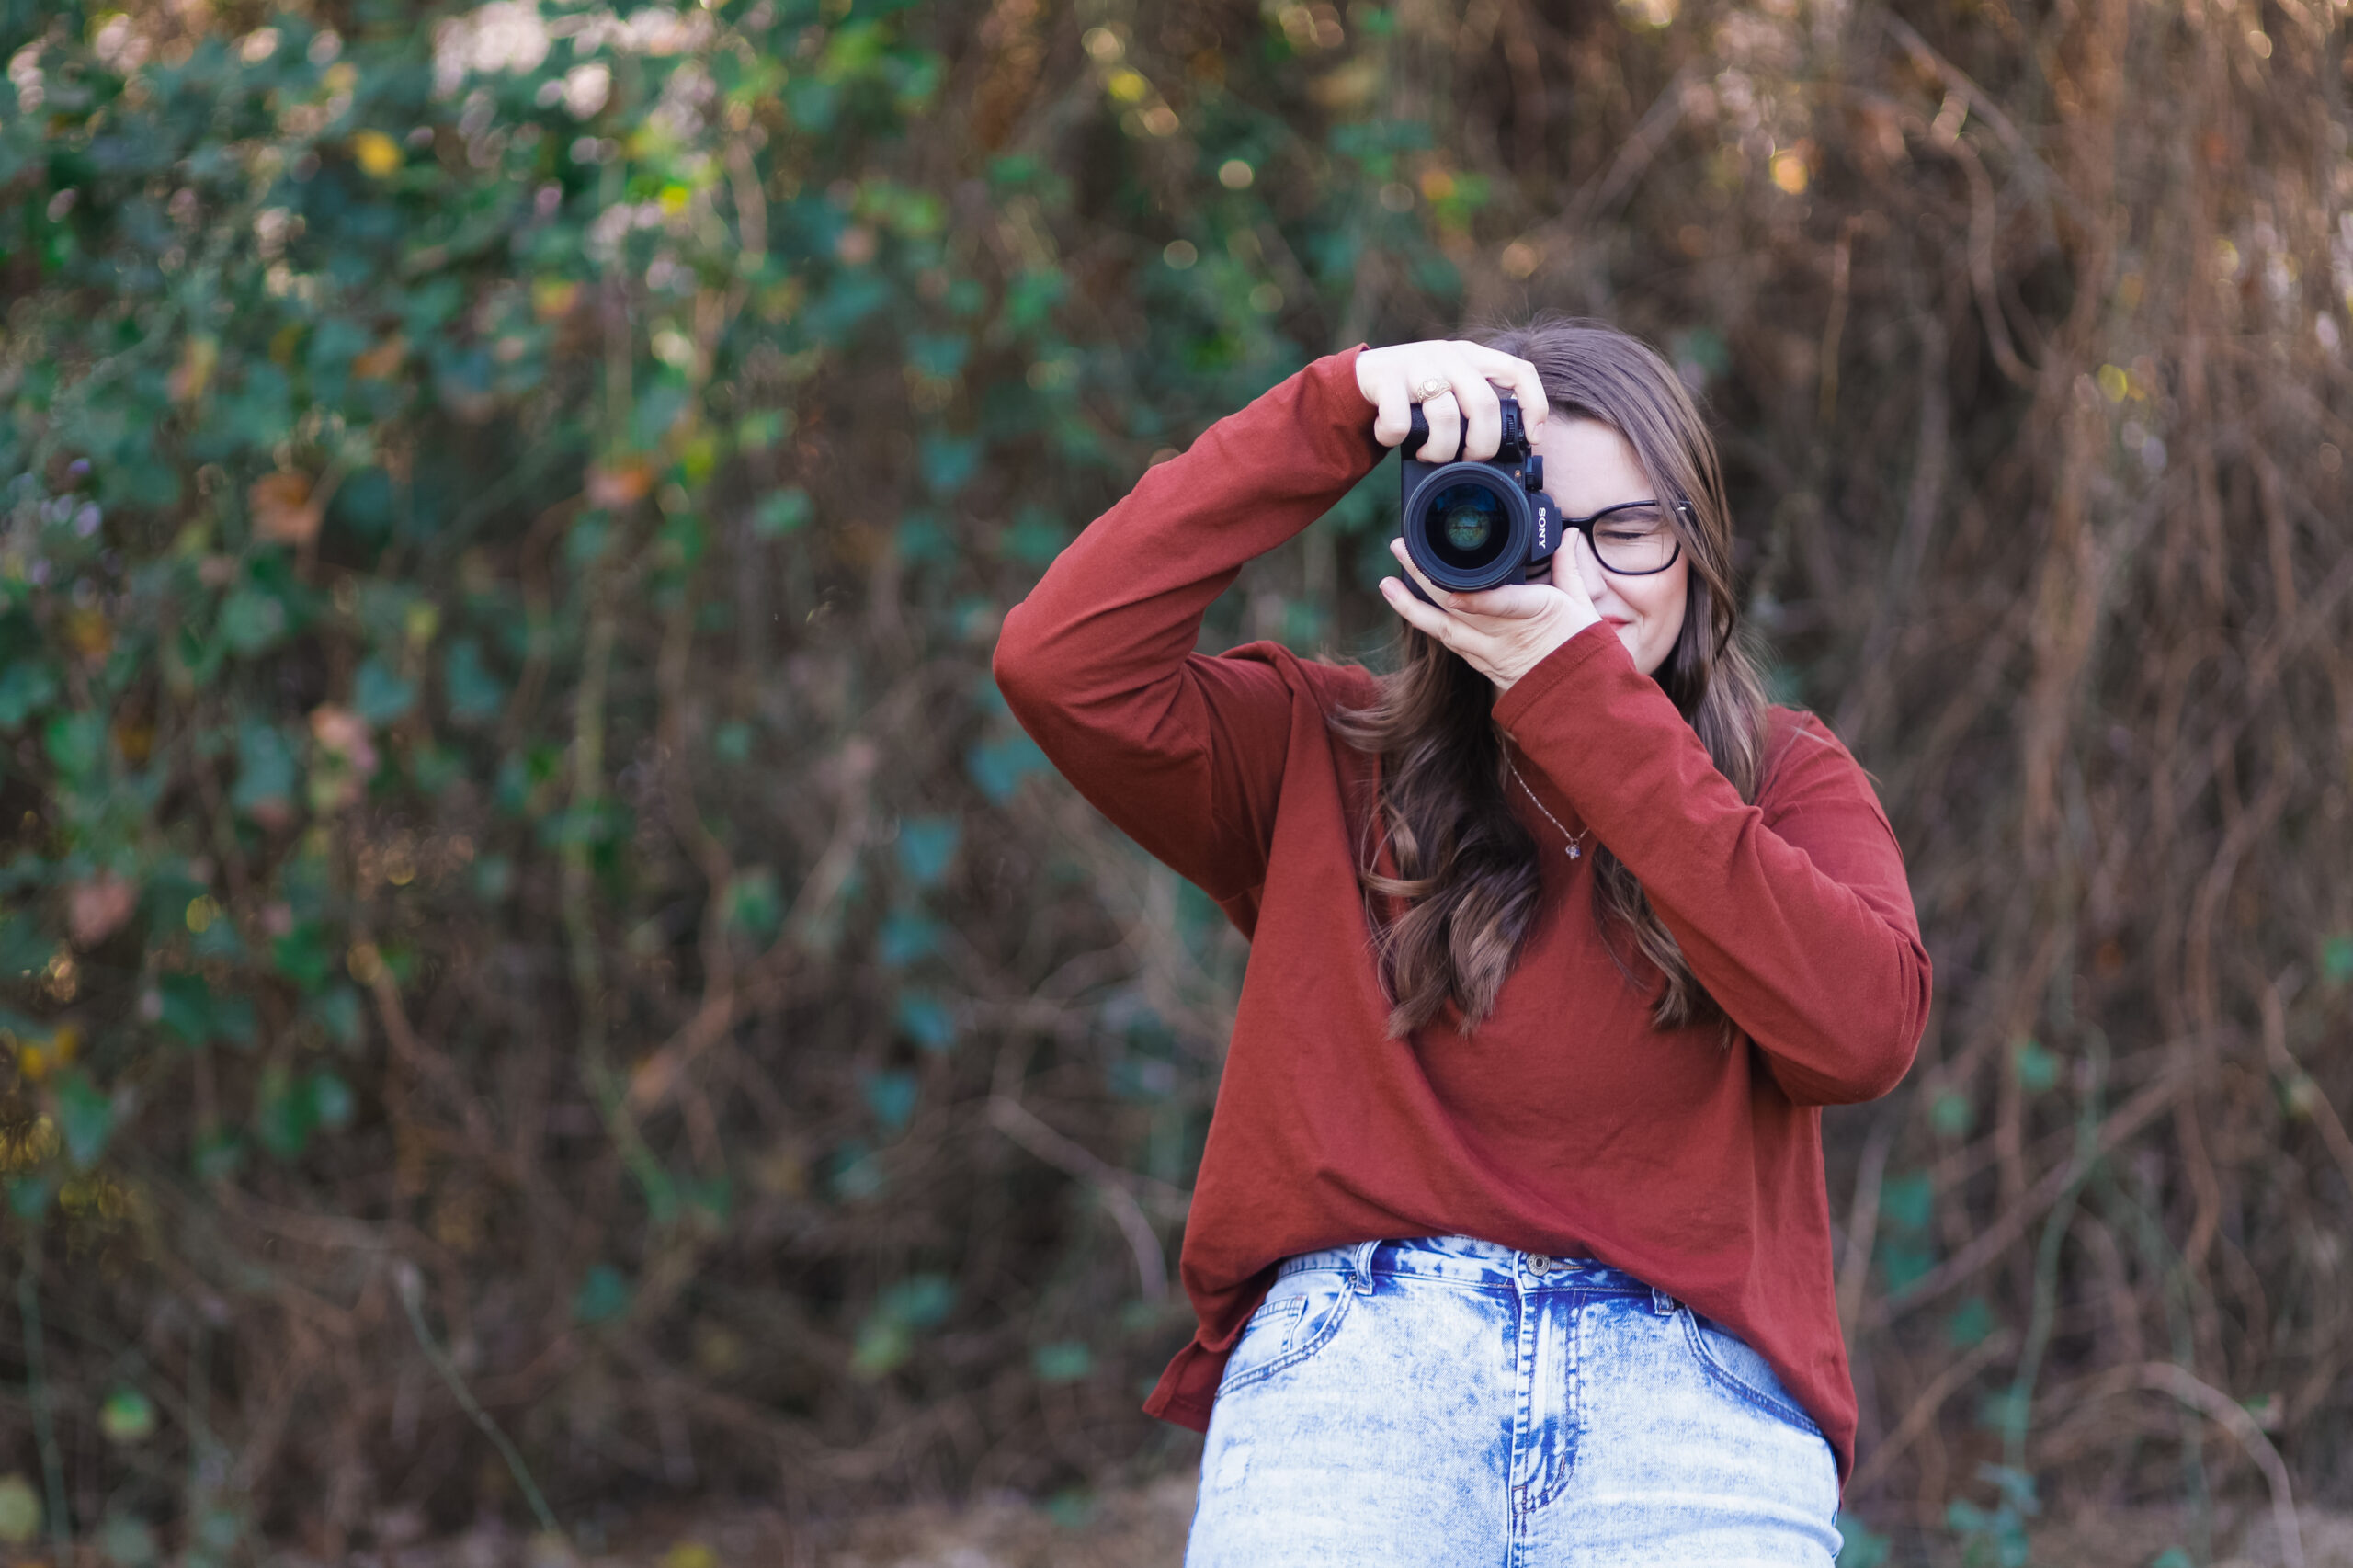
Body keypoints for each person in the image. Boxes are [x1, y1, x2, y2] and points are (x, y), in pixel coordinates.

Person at [990, 315, 1931, 1564]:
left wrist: (1580, 701)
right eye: (1539, 527)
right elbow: (1061, 664)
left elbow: (1863, 1033)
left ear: (1701, 553)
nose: (1583, 580)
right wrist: (1334, 409)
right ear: (1455, 528)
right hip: (1358, 1375)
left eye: (1632, 530)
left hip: (1689, 1400)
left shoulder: (1783, 777)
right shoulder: (1322, 753)